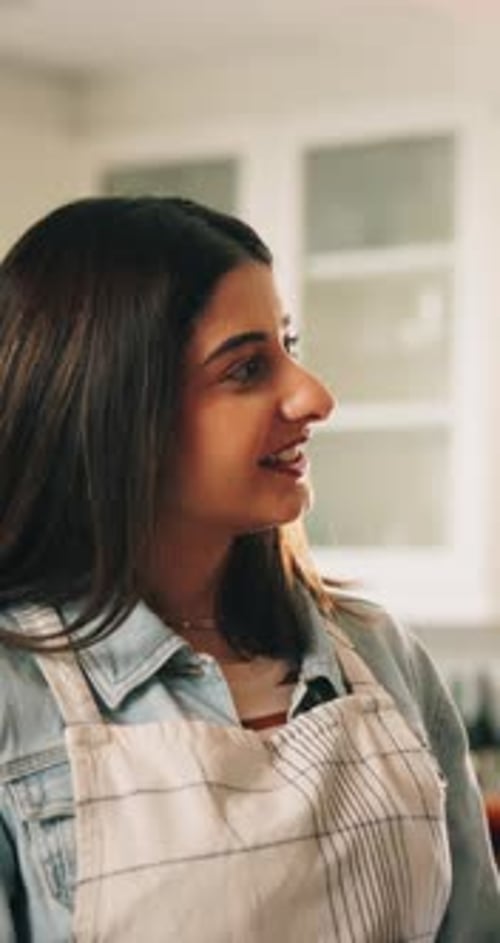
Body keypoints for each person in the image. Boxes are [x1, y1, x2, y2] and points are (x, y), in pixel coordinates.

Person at [0, 196, 498, 943]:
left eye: (288, 345)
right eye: (246, 368)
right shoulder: (16, 695)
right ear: (112, 407)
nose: (313, 395)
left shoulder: (379, 652)